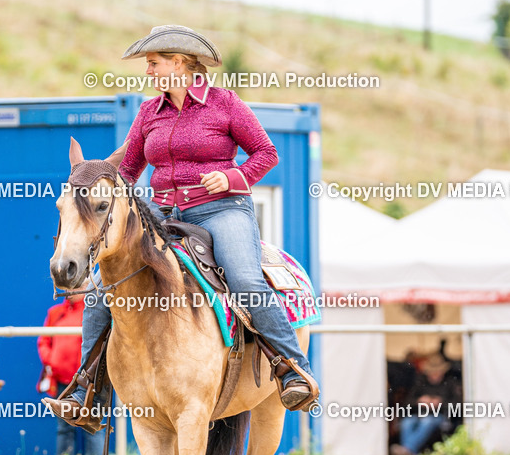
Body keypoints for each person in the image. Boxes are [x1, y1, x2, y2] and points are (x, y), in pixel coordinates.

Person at [45, 24, 320, 429]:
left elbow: (267, 153)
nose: (149, 71)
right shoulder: (147, 112)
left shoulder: (225, 103)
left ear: (179, 63)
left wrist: (231, 179)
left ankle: (292, 369)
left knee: (244, 280)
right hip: (163, 215)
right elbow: (129, 168)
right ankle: (90, 390)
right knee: (104, 290)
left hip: (221, 211)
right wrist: (91, 175)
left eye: (154, 63)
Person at [38, 284, 103, 455]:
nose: (69, 292)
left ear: (85, 287)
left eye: (74, 288)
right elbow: (43, 341)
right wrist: (52, 361)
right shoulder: (55, 312)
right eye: (66, 288)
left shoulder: (94, 312)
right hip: (61, 380)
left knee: (91, 425)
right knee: (64, 426)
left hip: (88, 381)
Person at [391, 352, 461, 455]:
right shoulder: (420, 382)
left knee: (427, 421)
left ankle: (407, 450)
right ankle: (408, 452)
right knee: (407, 422)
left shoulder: (450, 384)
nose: (434, 375)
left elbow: (457, 404)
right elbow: (407, 402)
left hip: (440, 416)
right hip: (419, 414)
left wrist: (439, 403)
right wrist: (420, 401)